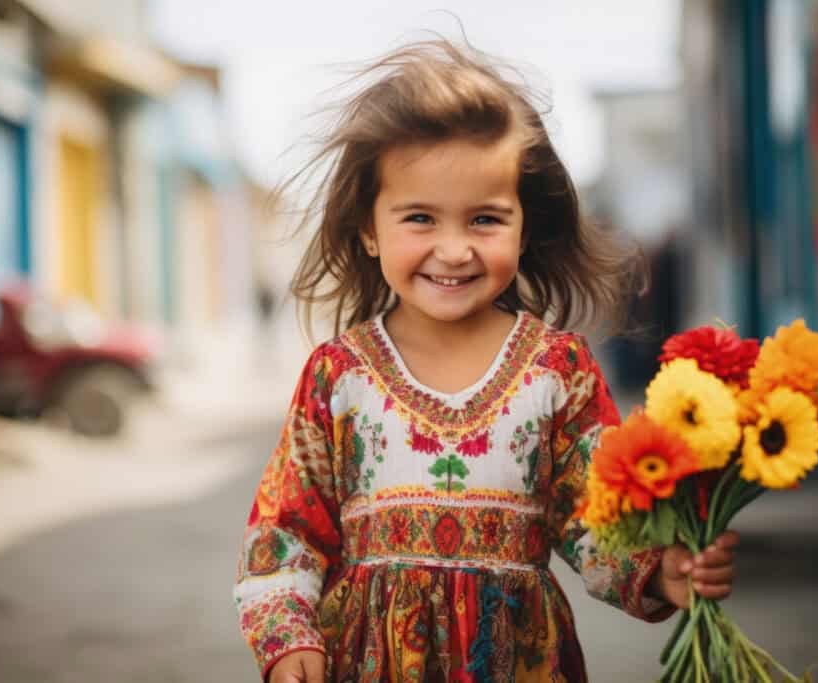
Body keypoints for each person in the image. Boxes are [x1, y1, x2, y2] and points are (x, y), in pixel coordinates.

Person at [233, 37, 739, 682]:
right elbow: (286, 529)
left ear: (525, 227)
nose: (453, 250)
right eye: (419, 218)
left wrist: (662, 569)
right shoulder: (339, 374)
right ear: (368, 228)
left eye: (484, 220)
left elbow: (594, 523)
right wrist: (286, 637)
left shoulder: (558, 370)